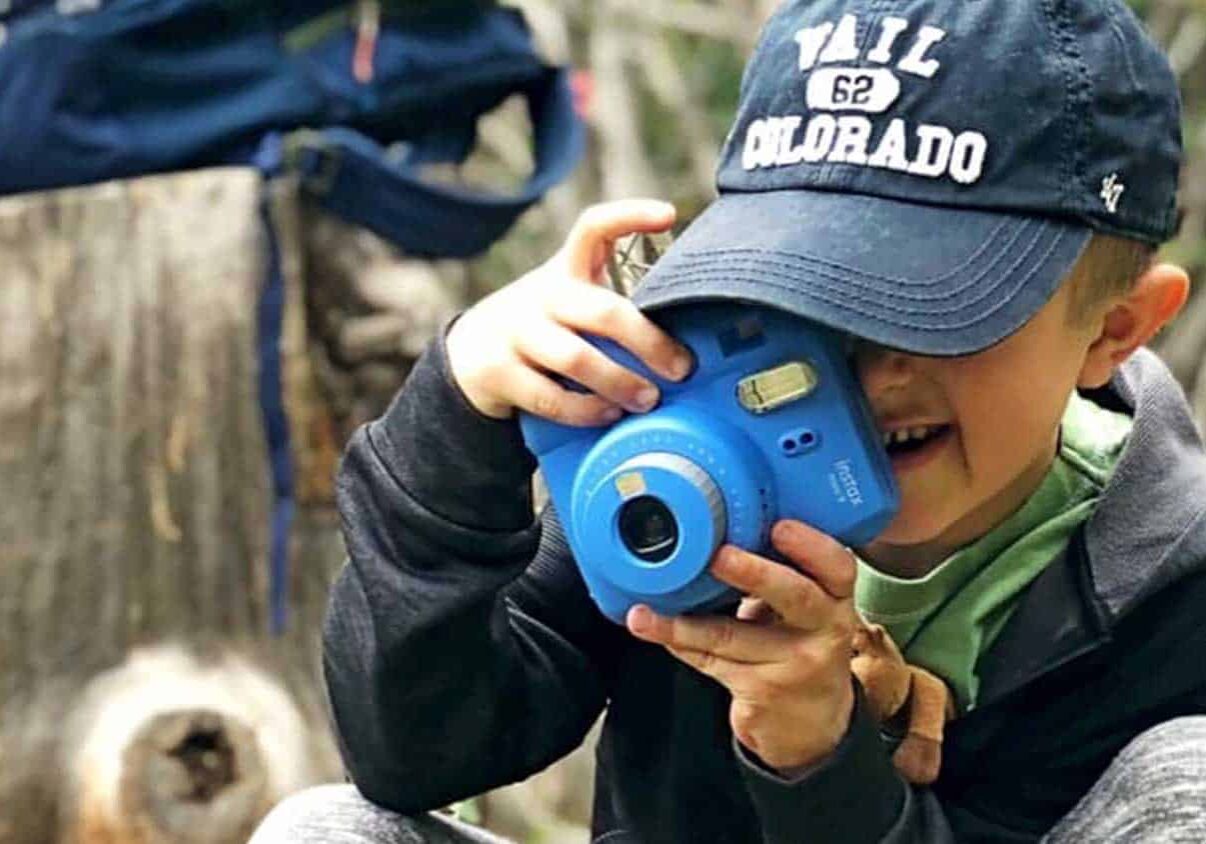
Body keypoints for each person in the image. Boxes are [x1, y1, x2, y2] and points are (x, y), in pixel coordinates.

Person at [251, 0, 1206, 841]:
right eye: (809, 300)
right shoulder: (704, 472)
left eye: (931, 311)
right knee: (326, 828)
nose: (870, 371)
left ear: (1113, 332)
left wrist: (820, 761)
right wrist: (453, 426)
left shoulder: (1171, 597)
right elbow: (419, 755)